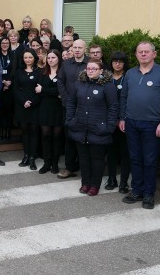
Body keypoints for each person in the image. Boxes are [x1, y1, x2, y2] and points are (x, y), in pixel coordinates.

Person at [119, 41, 160, 210]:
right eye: (140, 52)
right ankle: (137, 191)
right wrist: (122, 118)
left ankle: (149, 194)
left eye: (146, 51)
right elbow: (124, 98)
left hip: (152, 124)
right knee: (134, 158)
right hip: (131, 122)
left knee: (150, 160)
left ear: (154, 54)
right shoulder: (130, 73)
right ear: (136, 55)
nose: (143, 54)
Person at [66, 60, 118, 196]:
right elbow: (71, 102)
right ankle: (85, 183)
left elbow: (113, 108)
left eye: (94, 69)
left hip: (99, 129)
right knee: (83, 159)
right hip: (80, 127)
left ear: (101, 71)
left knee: (97, 160)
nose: (90, 71)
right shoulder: (79, 84)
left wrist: (109, 126)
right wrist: (70, 120)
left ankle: (95, 185)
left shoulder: (108, 86)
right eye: (88, 68)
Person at [56, 39, 89, 179]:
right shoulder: (66, 64)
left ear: (84, 49)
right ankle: (69, 167)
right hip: (69, 107)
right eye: (74, 47)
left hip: (86, 108)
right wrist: (66, 99)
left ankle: (86, 168)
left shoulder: (91, 64)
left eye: (79, 47)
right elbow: (60, 81)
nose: (76, 50)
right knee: (69, 137)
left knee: (85, 138)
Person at [104, 51, 131, 193]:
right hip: (109, 121)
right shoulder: (106, 77)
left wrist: (122, 118)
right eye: (115, 61)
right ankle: (112, 179)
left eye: (120, 61)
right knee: (111, 151)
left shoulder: (129, 77)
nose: (118, 63)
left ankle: (124, 183)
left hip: (124, 121)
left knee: (125, 152)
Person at [35, 49, 64, 174]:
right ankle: (47, 163)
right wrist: (51, 91)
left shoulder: (62, 73)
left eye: (53, 58)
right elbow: (37, 91)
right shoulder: (42, 73)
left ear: (58, 59)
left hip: (58, 108)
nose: (51, 60)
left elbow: (60, 91)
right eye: (49, 58)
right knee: (45, 135)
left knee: (57, 136)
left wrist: (44, 90)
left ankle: (55, 163)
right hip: (45, 108)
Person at [13, 48, 42, 170]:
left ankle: (32, 158)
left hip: (35, 107)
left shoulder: (39, 72)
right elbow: (15, 89)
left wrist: (32, 102)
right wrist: (24, 101)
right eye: (25, 57)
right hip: (22, 106)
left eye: (30, 57)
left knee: (34, 132)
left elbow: (40, 90)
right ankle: (26, 155)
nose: (28, 59)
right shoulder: (19, 72)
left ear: (34, 58)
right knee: (25, 132)